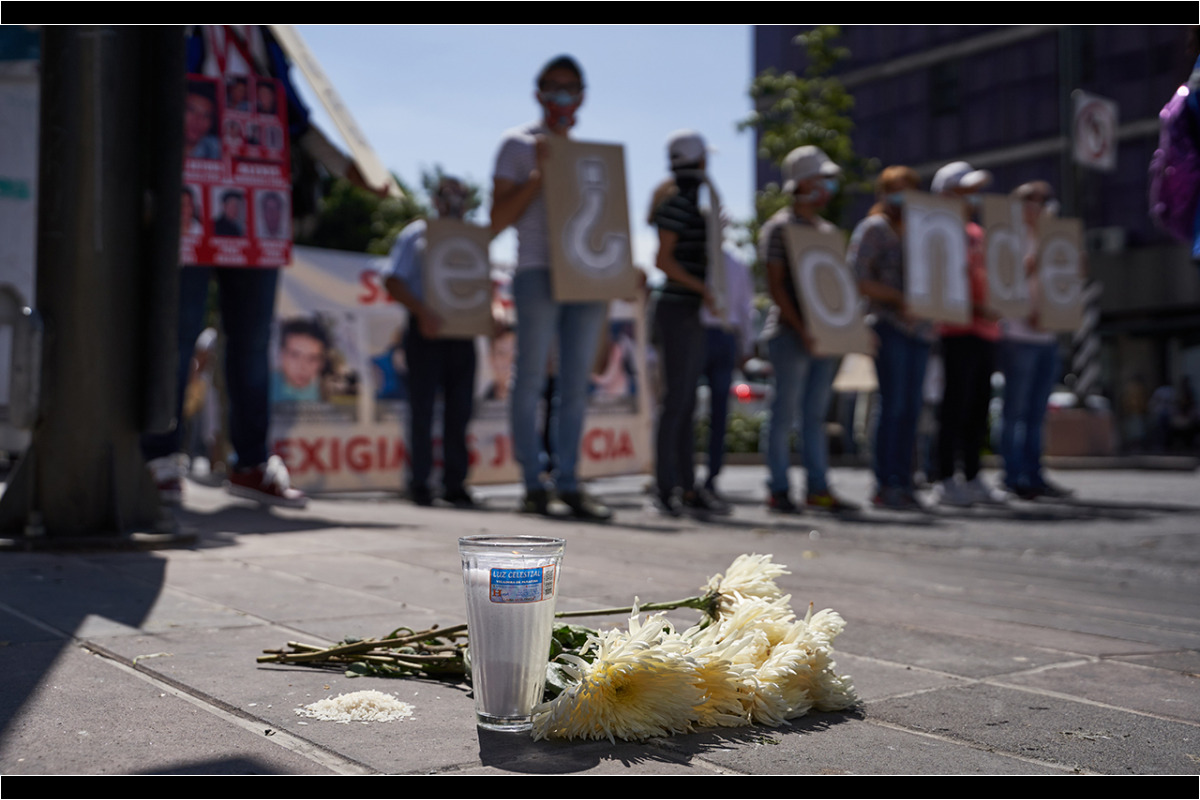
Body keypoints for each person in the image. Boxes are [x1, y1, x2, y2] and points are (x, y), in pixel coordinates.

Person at [143, 25, 308, 510]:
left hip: (256, 203)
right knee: (176, 332)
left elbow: (295, 114)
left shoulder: (270, 37)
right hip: (188, 195)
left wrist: (354, 168)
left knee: (253, 342)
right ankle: (159, 455)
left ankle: (251, 462)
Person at [489, 54, 612, 521]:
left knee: (576, 384)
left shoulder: (588, 157)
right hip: (537, 271)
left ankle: (569, 481)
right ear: (539, 93)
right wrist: (540, 176)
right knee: (531, 380)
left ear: (582, 96)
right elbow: (497, 220)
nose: (563, 97)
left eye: (571, 88)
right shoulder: (517, 145)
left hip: (584, 276)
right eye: (554, 87)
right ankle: (530, 482)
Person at [759, 145, 858, 514]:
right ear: (801, 183)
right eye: (821, 178)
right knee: (783, 414)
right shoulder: (778, 228)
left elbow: (837, 289)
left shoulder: (828, 232)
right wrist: (803, 328)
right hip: (789, 335)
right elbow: (776, 286)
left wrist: (840, 331)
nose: (827, 187)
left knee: (816, 416)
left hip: (824, 338)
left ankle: (818, 488)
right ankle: (779, 488)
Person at [381, 176, 480, 508]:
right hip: (426, 333)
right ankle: (420, 483)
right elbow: (393, 280)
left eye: (460, 197)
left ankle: (455, 483)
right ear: (435, 200)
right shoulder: (417, 234)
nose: (454, 203)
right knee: (422, 409)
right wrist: (423, 312)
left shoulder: (472, 239)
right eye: (447, 197)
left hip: (463, 335)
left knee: (461, 410)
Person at [648, 130, 726, 516]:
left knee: (685, 401)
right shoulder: (678, 204)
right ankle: (667, 486)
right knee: (676, 401)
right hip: (677, 310)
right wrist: (703, 288)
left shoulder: (690, 204)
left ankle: (685, 485)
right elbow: (662, 260)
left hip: (688, 311)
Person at [848, 165, 935, 511]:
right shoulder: (874, 228)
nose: (902, 196)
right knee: (893, 405)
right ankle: (885, 483)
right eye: (895, 189)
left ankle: (905, 480)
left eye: (908, 188)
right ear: (882, 193)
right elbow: (856, 277)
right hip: (889, 325)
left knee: (912, 409)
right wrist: (899, 299)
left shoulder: (922, 230)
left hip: (920, 329)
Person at [928, 161, 1007, 507]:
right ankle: (944, 478)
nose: (972, 198)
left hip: (986, 333)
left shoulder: (978, 234)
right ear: (945, 195)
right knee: (953, 408)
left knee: (977, 409)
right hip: (954, 331)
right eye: (965, 191)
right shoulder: (934, 234)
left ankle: (973, 476)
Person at [1000, 181, 1073, 500]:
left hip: (1046, 335)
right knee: (1014, 410)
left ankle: (1034, 474)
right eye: (1033, 199)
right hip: (1018, 333)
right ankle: (1012, 475)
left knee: (1036, 413)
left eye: (1045, 198)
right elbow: (1008, 278)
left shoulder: (1055, 237)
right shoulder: (1010, 238)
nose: (1040, 204)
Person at [700, 248, 756, 505]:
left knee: (687, 406)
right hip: (724, 335)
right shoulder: (736, 261)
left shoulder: (709, 257)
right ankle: (710, 477)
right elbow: (746, 307)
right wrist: (746, 345)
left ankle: (688, 476)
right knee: (718, 412)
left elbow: (746, 305)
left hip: (707, 333)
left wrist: (745, 344)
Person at [271, 317, 328, 403]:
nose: (303, 367)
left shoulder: (323, 393)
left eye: (312, 359)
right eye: (295, 355)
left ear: (321, 363)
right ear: (281, 355)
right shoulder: (265, 385)